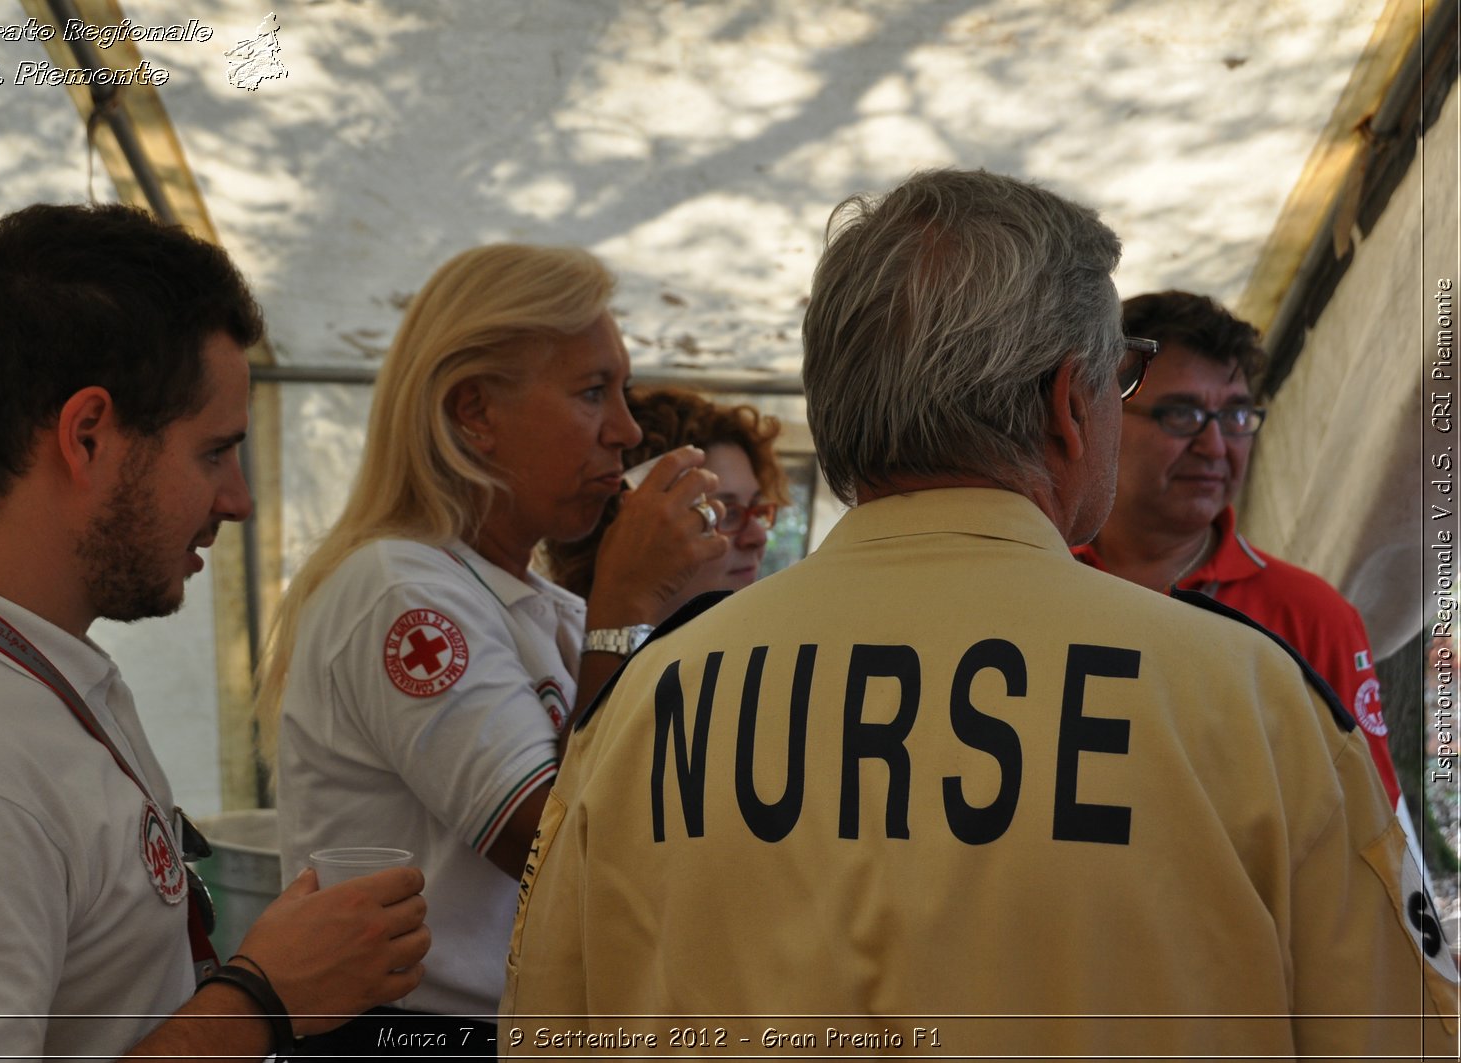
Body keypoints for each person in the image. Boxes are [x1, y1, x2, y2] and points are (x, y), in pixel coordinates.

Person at [500, 169, 1459, 1055]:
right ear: (1064, 406)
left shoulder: (643, 703)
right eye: (1117, 378)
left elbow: (542, 1024)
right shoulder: (1253, 698)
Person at [0, 204, 430, 1061]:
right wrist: (262, 999)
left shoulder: (14, 669)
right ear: (88, 436)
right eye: (213, 452)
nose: (236, 499)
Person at [256, 244, 726, 1055]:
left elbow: (658, 835)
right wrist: (626, 605)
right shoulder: (401, 590)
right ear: (472, 410)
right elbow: (558, 850)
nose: (627, 428)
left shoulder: (541, 607)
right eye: (591, 392)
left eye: (620, 390)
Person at [1073, 290, 1402, 808]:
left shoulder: (1310, 617)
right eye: (1181, 415)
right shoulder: (1035, 581)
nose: (1215, 447)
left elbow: (1370, 832)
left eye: (1236, 417)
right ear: (1098, 415)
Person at [541, 386, 789, 619]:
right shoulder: (551, 653)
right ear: (629, 530)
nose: (758, 537)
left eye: (757, 509)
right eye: (721, 513)